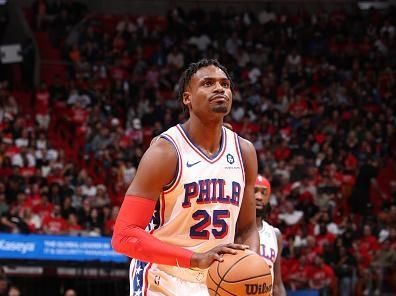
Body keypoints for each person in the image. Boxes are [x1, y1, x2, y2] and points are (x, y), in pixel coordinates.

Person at [112, 59, 259, 296]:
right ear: (187, 98)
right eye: (208, 83)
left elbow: (248, 227)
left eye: (225, 84)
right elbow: (124, 235)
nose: (220, 89)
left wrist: (250, 265)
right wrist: (195, 259)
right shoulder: (165, 152)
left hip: (215, 281)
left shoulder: (245, 152)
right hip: (163, 278)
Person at [255, 175, 286, 296]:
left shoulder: (275, 234)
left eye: (264, 193)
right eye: (255, 191)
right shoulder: (234, 230)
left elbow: (277, 284)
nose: (259, 197)